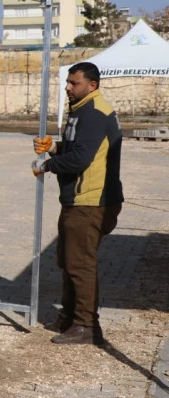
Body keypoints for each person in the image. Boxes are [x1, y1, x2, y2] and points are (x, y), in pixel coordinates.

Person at [32, 61, 122, 346]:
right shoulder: (82, 109)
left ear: (92, 85)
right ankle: (70, 316)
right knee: (68, 260)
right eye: (68, 83)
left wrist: (48, 165)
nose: (68, 88)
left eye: (74, 83)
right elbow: (78, 146)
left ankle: (86, 326)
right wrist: (55, 146)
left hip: (91, 201)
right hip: (78, 200)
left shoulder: (95, 113)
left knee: (80, 264)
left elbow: (82, 159)